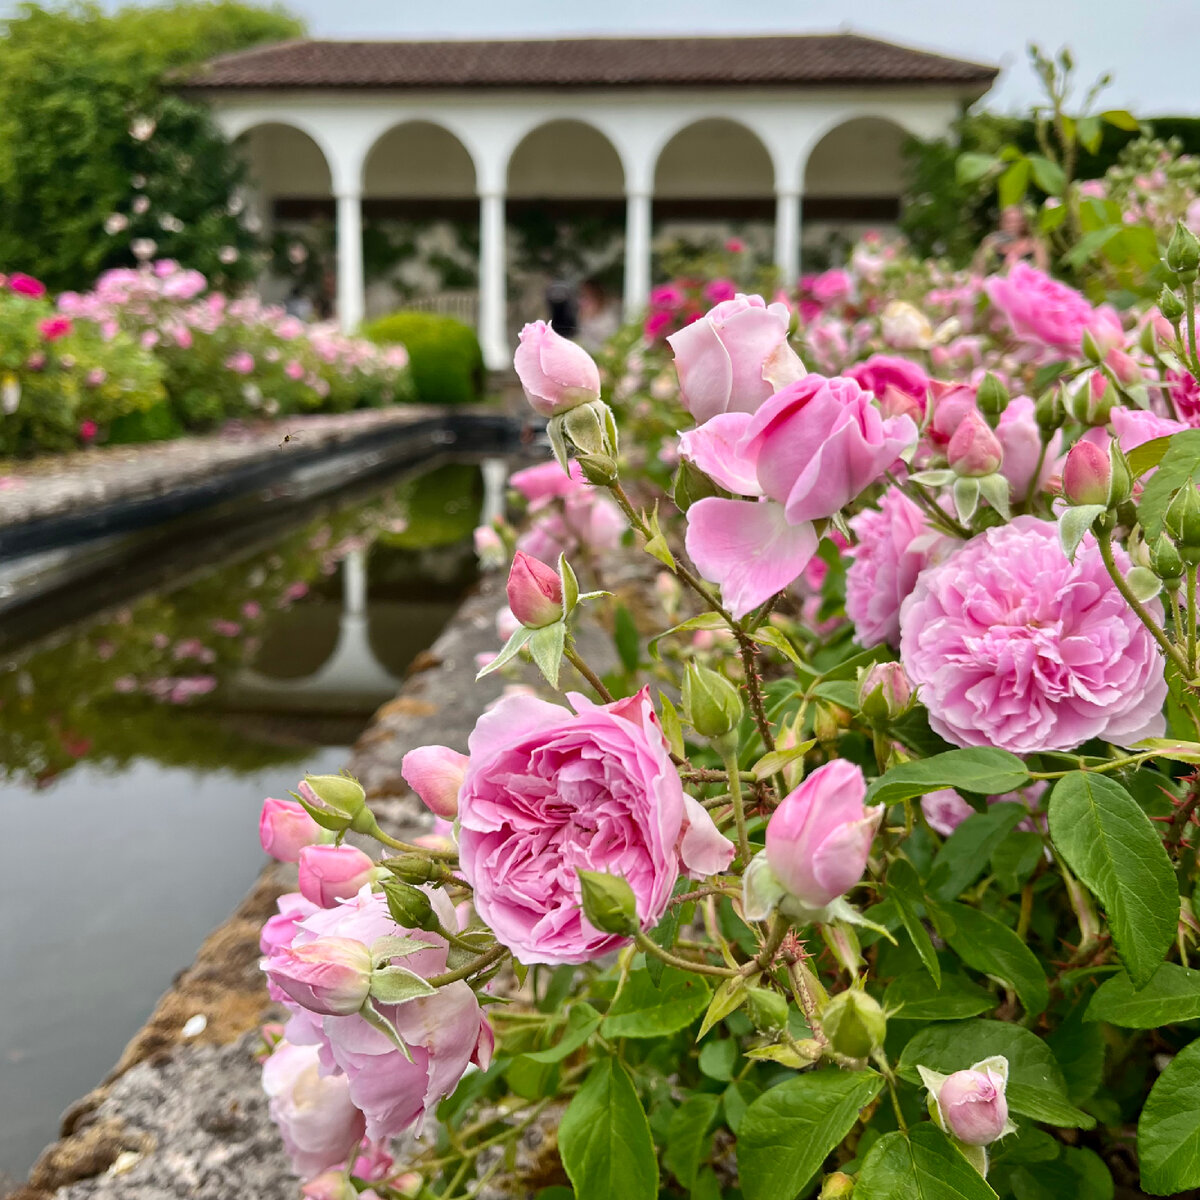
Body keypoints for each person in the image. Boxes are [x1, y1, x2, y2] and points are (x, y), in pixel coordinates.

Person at [974, 205, 1049, 272]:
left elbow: (1043, 270)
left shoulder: (1034, 243)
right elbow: (978, 270)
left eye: (1017, 221)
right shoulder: (992, 242)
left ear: (1023, 223)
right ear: (1001, 223)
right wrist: (985, 247)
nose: (1013, 225)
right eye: (1008, 221)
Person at [576, 279, 620, 351]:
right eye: (582, 295)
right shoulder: (583, 315)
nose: (582, 301)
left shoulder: (609, 316)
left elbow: (610, 341)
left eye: (586, 295)